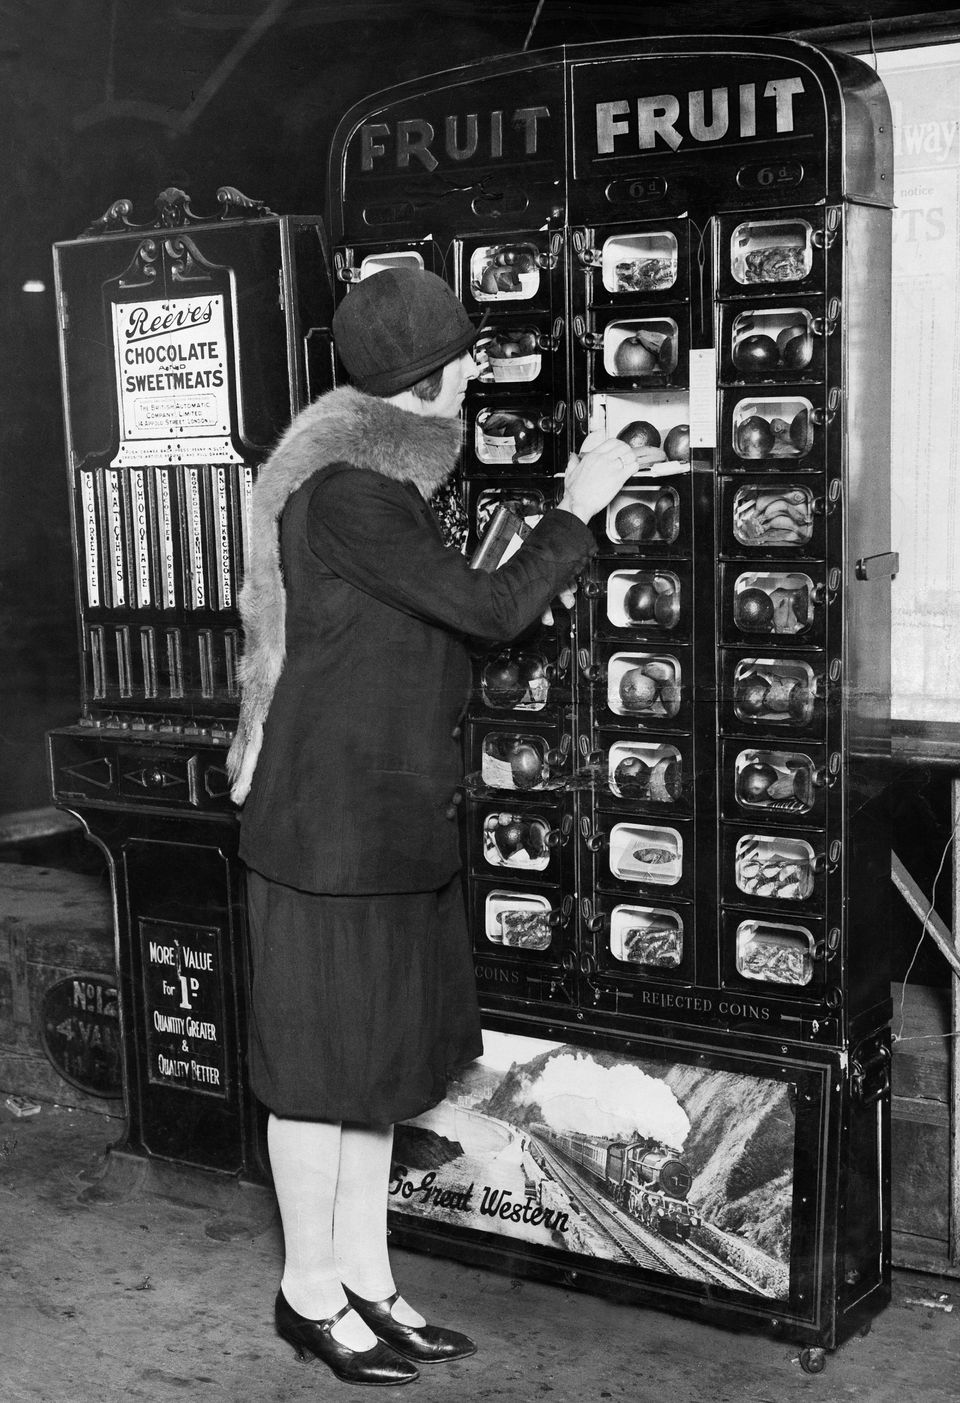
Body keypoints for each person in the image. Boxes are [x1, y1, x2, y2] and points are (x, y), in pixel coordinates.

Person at [227, 266, 666, 1387]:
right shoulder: (351, 496)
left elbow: (424, 623)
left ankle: (367, 1280)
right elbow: (487, 612)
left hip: (385, 819)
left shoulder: (367, 480)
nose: (476, 370)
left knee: (378, 1068)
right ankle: (307, 1293)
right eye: (463, 357)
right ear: (425, 380)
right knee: (319, 1075)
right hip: (328, 833)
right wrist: (583, 498)